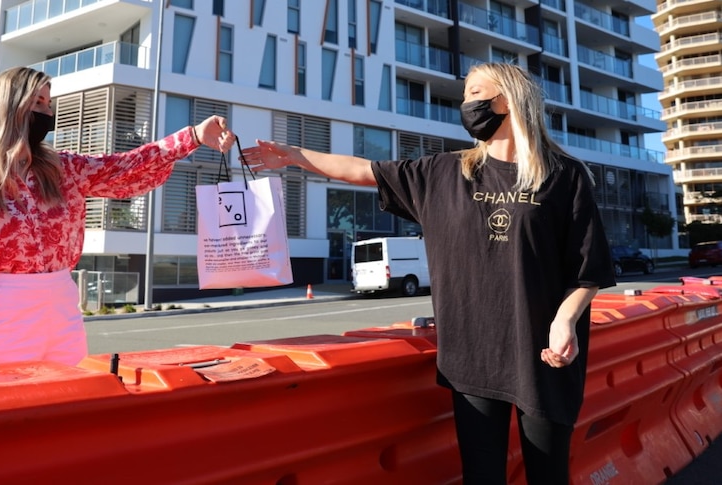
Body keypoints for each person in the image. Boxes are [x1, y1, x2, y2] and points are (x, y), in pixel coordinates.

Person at [241, 62, 616, 484]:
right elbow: (362, 169)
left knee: (548, 475)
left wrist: (565, 320)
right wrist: (294, 157)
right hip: (472, 355)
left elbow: (588, 268)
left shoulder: (564, 176)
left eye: (474, 93)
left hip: (544, 357)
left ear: (507, 100)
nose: (466, 105)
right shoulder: (443, 174)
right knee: (481, 474)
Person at [0, 66, 235, 369]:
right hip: (1, 310)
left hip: (62, 305)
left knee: (64, 409)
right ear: (10, 106)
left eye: (49, 103)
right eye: (38, 101)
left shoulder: (63, 168)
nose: (47, 112)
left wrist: (191, 137)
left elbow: (124, 167)